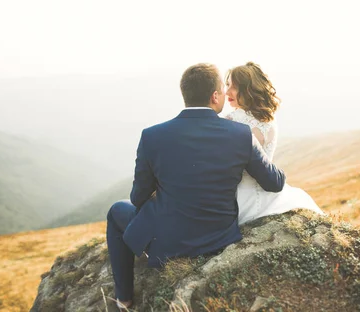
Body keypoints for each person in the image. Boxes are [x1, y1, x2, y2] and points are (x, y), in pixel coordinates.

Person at [106, 63, 286, 309]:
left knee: (117, 210)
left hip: (168, 241)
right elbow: (274, 183)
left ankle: (124, 298)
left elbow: (137, 198)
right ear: (214, 96)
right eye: (223, 89)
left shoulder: (151, 136)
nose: (226, 93)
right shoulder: (241, 134)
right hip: (219, 238)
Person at [225, 62, 324, 224]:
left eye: (234, 87)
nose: (227, 91)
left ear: (248, 90)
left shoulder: (233, 120)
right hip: (268, 193)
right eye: (227, 85)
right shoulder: (268, 119)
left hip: (240, 199)